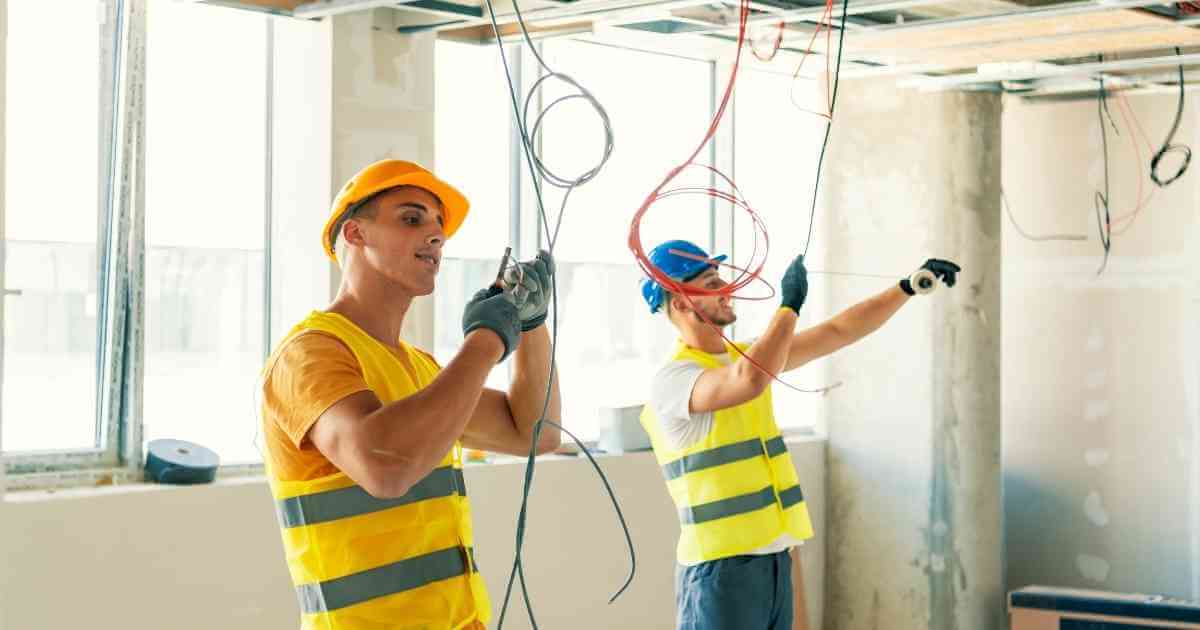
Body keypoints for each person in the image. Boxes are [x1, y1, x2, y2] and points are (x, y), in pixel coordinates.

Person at [260, 159, 561, 629]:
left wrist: (532, 325)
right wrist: (486, 341)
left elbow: (535, 433)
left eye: (440, 225)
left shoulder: (420, 369)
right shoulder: (309, 354)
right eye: (412, 218)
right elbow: (384, 467)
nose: (437, 235)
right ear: (356, 234)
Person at [638, 239, 960, 630]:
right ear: (682, 302)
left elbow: (838, 331)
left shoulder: (746, 357)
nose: (727, 288)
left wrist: (907, 287)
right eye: (711, 282)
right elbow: (749, 381)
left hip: (773, 556)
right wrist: (788, 306)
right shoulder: (674, 379)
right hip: (720, 569)